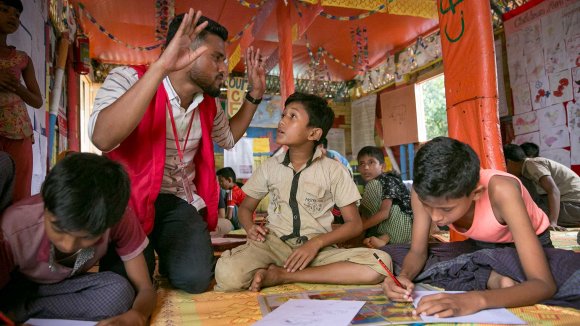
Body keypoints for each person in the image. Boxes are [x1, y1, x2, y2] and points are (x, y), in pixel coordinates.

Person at [89, 9, 265, 293]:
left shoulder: (208, 103)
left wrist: (254, 95)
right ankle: (143, 257)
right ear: (186, 53)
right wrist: (160, 69)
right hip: (128, 202)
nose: (225, 68)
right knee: (127, 288)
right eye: (217, 58)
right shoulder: (128, 78)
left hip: (176, 201)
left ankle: (167, 254)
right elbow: (102, 138)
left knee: (195, 279)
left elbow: (229, 137)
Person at [214, 92, 392, 292]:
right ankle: (285, 270)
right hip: (272, 245)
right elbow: (246, 208)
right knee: (227, 274)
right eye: (283, 115)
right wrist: (249, 227)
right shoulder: (269, 167)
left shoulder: (334, 170)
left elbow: (355, 225)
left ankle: (282, 275)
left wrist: (316, 243)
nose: (282, 121)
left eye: (292, 116)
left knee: (380, 264)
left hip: (317, 250)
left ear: (314, 134)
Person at [382, 137, 556, 317]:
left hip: (526, 245)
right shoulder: (422, 193)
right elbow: (417, 252)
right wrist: (403, 277)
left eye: (446, 209)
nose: (435, 217)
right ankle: (494, 277)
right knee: (394, 254)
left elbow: (543, 284)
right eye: (427, 205)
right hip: (481, 247)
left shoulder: (502, 190)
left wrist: (476, 299)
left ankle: (491, 277)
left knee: (560, 277)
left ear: (476, 193)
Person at [0, 153, 155, 324]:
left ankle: (19, 309)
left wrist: (138, 315)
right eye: (57, 228)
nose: (67, 245)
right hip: (17, 285)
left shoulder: (118, 216)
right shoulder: (12, 230)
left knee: (120, 292)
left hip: (57, 289)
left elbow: (145, 288)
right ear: (45, 204)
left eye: (86, 237)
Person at [0, 0, 43, 203]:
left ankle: (12, 235)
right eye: (5, 10)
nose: (13, 17)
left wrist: (17, 87)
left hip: (19, 132)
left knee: (18, 196)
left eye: (17, 15)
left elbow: (37, 101)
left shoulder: (22, 58)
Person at [504, 144, 580, 229]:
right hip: (571, 206)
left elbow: (553, 190)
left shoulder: (531, 164)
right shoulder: (527, 169)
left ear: (509, 162)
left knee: (528, 211)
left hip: (574, 206)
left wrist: (553, 222)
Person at [357, 146, 413, 249]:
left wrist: (357, 229)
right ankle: (384, 238)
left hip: (405, 228)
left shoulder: (386, 180)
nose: (366, 167)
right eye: (362, 164)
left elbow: (384, 214)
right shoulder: (379, 183)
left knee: (371, 188)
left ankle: (383, 237)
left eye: (371, 162)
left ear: (382, 167)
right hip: (401, 232)